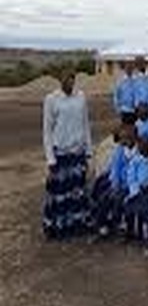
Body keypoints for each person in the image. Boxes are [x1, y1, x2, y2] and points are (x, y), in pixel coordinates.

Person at [42, 68, 93, 239]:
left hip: (77, 152)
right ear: (60, 80)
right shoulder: (51, 100)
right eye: (66, 79)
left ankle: (77, 225)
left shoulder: (81, 97)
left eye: (72, 79)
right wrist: (50, 158)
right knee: (60, 193)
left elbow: (85, 123)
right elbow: (47, 131)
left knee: (77, 190)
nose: (69, 82)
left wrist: (88, 150)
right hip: (60, 154)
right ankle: (58, 227)